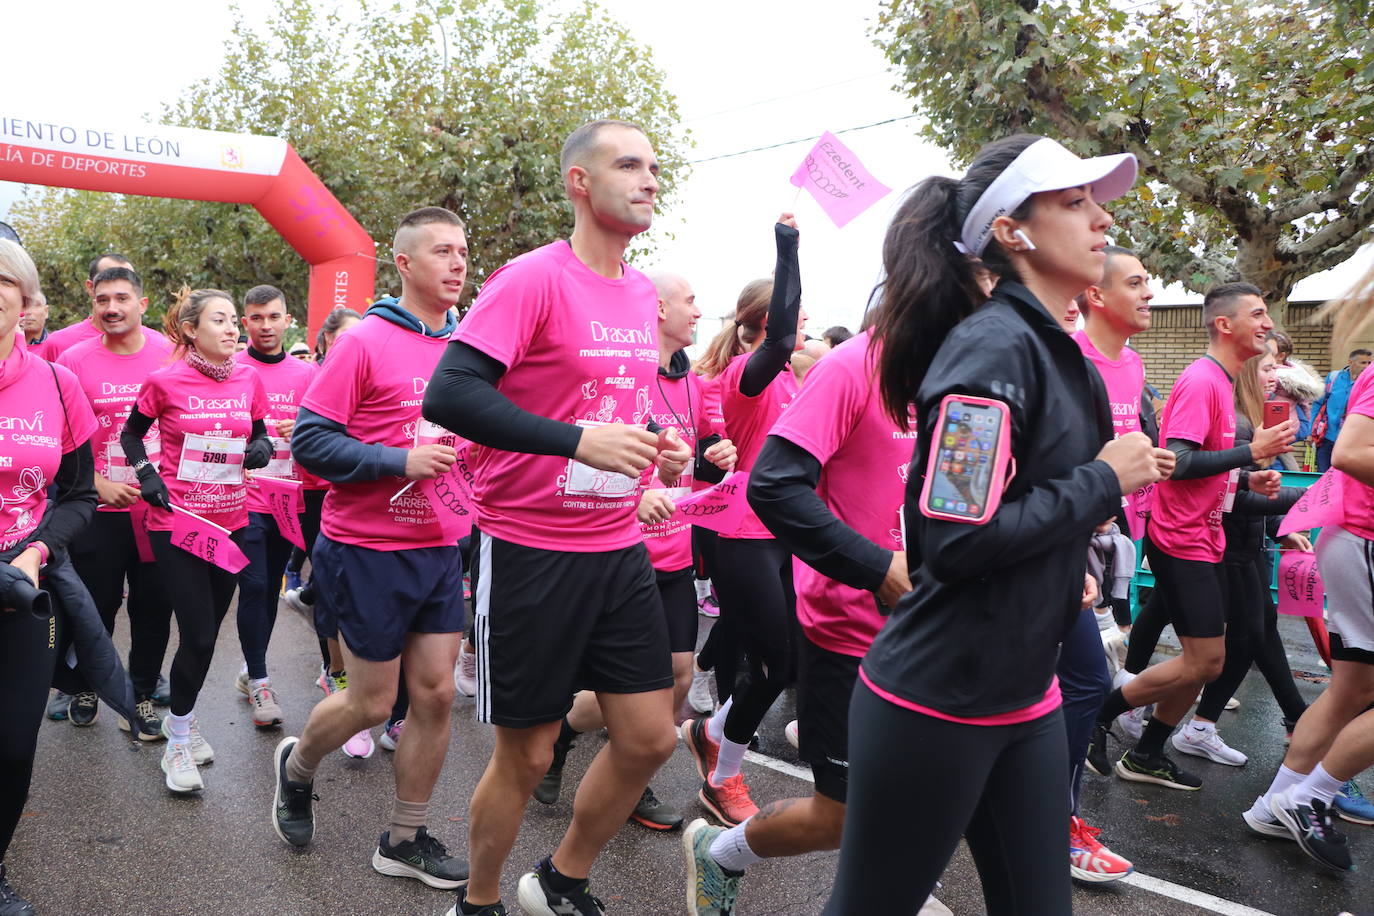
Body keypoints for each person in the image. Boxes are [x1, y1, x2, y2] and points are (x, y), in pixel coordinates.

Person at [821, 134, 1170, 915]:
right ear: (1012, 232)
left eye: (1097, 201)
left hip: (1026, 697)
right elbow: (955, 542)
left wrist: (1065, 559)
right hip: (934, 704)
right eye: (1075, 202)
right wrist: (1103, 479)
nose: (1101, 219)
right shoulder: (989, 353)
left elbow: (1030, 506)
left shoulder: (1056, 349)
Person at [423, 119, 691, 916]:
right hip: (530, 548)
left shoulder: (641, 291)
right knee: (530, 753)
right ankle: (477, 901)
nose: (649, 179)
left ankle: (560, 879)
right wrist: (578, 440)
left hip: (618, 547)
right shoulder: (531, 279)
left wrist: (656, 450)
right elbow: (451, 395)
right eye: (628, 165)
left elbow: (617, 405)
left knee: (650, 738)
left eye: (653, 166)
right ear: (580, 181)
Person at [685, 314, 953, 915]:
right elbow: (775, 486)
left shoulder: (965, 374)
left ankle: (897, 878)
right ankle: (721, 851)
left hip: (934, 621)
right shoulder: (849, 367)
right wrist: (879, 567)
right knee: (839, 810)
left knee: (936, 779)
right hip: (846, 621)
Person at [270, 207, 470, 890]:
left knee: (438, 695)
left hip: (441, 544)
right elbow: (310, 442)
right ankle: (297, 769)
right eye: (441, 251)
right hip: (367, 548)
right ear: (406, 263)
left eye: (463, 252)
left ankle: (403, 839)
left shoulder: (470, 350)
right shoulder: (364, 341)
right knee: (372, 704)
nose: (457, 263)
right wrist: (396, 460)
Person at [532, 269, 736, 832]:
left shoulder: (693, 382)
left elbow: (686, 456)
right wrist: (643, 489)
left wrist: (713, 456)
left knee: (675, 674)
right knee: (616, 686)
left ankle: (602, 758)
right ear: (659, 310)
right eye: (691, 301)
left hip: (673, 550)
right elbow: (587, 449)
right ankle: (580, 745)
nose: (698, 312)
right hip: (618, 551)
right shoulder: (624, 374)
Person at [1092, 283, 1295, 790]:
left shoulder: (1223, 384)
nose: (1267, 324)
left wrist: (1246, 480)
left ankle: (1147, 753)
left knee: (1206, 662)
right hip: (1180, 541)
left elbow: (1204, 470)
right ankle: (1096, 715)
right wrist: (1251, 454)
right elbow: (1176, 463)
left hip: (1208, 540)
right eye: (1258, 314)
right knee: (1206, 660)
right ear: (1225, 325)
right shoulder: (1202, 380)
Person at [1243, 263, 1374, 871]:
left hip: (1346, 535)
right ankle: (1313, 796)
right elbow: (1348, 452)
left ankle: (1278, 803)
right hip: (1360, 536)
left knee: (1352, 687)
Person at [121, 287, 272, 793]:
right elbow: (128, 436)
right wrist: (147, 474)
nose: (234, 329)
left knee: (205, 638)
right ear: (191, 331)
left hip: (232, 522)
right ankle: (179, 740)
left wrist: (261, 446)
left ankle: (181, 718)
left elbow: (260, 430)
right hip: (178, 523)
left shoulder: (249, 377)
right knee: (200, 634)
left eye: (235, 322)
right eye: (221, 321)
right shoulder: (164, 381)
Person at [681, 219, 807, 829]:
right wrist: (789, 247)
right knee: (772, 666)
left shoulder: (788, 376)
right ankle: (723, 775)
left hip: (785, 537)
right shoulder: (747, 376)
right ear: (766, 322)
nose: (801, 326)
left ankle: (711, 731)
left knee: (790, 661)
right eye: (795, 316)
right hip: (740, 536)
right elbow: (782, 337)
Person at [0, 238, 100, 916]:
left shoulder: (59, 385)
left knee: (10, 749)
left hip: (20, 590)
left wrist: (35, 553)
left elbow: (79, 495)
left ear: (25, 299)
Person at [1055, 244, 1158, 880]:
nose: (1150, 292)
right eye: (1138, 281)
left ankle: (1051, 815)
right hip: (1031, 558)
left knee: (1087, 682)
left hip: (1077, 548)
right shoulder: (1057, 357)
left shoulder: (1132, 365)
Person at [55, 266, 174, 738]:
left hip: (158, 508)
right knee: (95, 606)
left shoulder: (170, 355)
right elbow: (64, 438)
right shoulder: (74, 360)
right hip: (98, 510)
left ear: (142, 304)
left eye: (122, 298)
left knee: (152, 607)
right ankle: (87, 684)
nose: (111, 308)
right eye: (103, 299)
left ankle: (142, 694)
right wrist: (96, 482)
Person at [231, 285, 318, 728]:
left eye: (273, 317)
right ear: (244, 322)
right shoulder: (231, 368)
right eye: (256, 318)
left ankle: (251, 668)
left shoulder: (308, 374)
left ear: (288, 321)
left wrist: (300, 426)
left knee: (267, 591)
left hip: (289, 499)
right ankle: (261, 679)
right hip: (243, 499)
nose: (265, 326)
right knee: (254, 584)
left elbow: (325, 432)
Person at [35, 253, 159, 361]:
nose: (117, 281)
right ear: (90, 287)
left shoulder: (161, 345)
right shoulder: (59, 345)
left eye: (126, 276)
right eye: (108, 275)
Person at [1311, 347, 1373, 471]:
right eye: (1363, 362)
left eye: (1369, 363)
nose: (1367, 366)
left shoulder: (1369, 383)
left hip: (1350, 440)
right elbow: (1318, 403)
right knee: (1322, 476)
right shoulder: (1333, 378)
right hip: (1326, 437)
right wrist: (1310, 430)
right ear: (1350, 362)